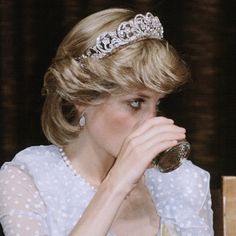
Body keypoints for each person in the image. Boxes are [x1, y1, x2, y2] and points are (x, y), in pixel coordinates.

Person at [0, 8, 213, 236]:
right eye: (135, 103)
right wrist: (116, 184)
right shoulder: (28, 177)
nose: (151, 120)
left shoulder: (185, 181)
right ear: (82, 98)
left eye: (157, 103)